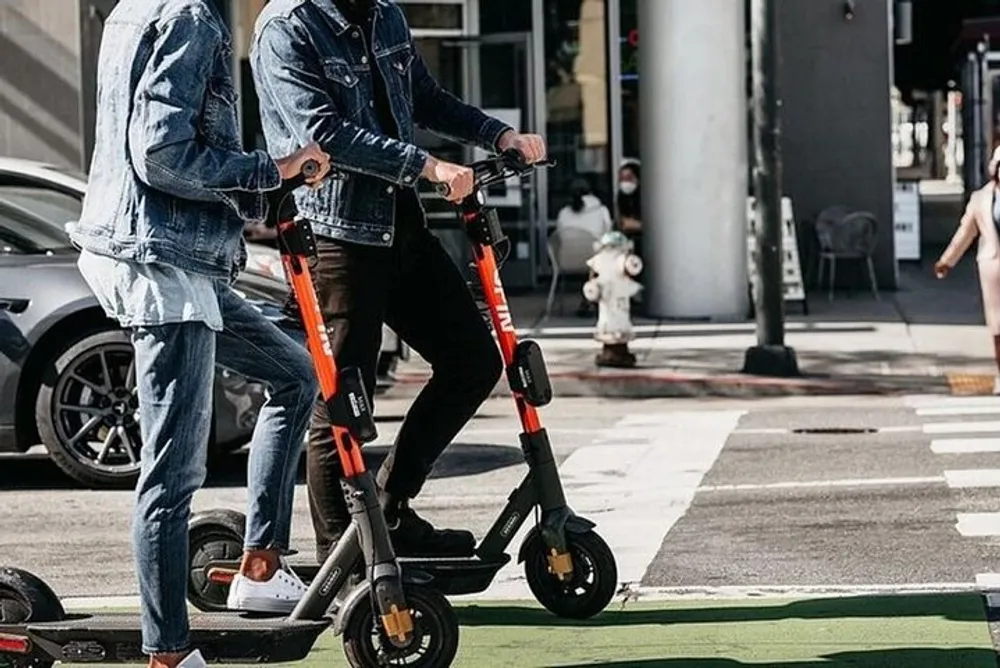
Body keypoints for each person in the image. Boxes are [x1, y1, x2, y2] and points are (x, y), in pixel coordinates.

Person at [68, 0, 332, 666]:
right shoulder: (190, 17)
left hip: (179, 256)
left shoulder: (140, 8)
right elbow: (160, 154)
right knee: (173, 473)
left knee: (295, 376)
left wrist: (254, 195)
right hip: (164, 270)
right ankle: (169, 652)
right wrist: (272, 170)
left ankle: (261, 567)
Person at [250, 0, 547, 563]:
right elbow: (324, 134)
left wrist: (498, 134)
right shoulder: (286, 28)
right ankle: (342, 550)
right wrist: (429, 168)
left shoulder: (385, 16)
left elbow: (424, 99)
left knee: (473, 360)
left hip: (399, 223)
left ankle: (388, 507)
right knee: (344, 396)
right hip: (336, 234)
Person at [936, 145, 1000, 395]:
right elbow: (965, 233)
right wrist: (947, 261)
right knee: (997, 327)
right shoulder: (981, 199)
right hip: (992, 268)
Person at [555, 178, 612, 316]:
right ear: (591, 192)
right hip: (595, 262)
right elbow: (608, 235)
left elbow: (559, 237)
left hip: (567, 261)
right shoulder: (601, 210)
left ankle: (588, 300)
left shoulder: (563, 213)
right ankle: (594, 301)